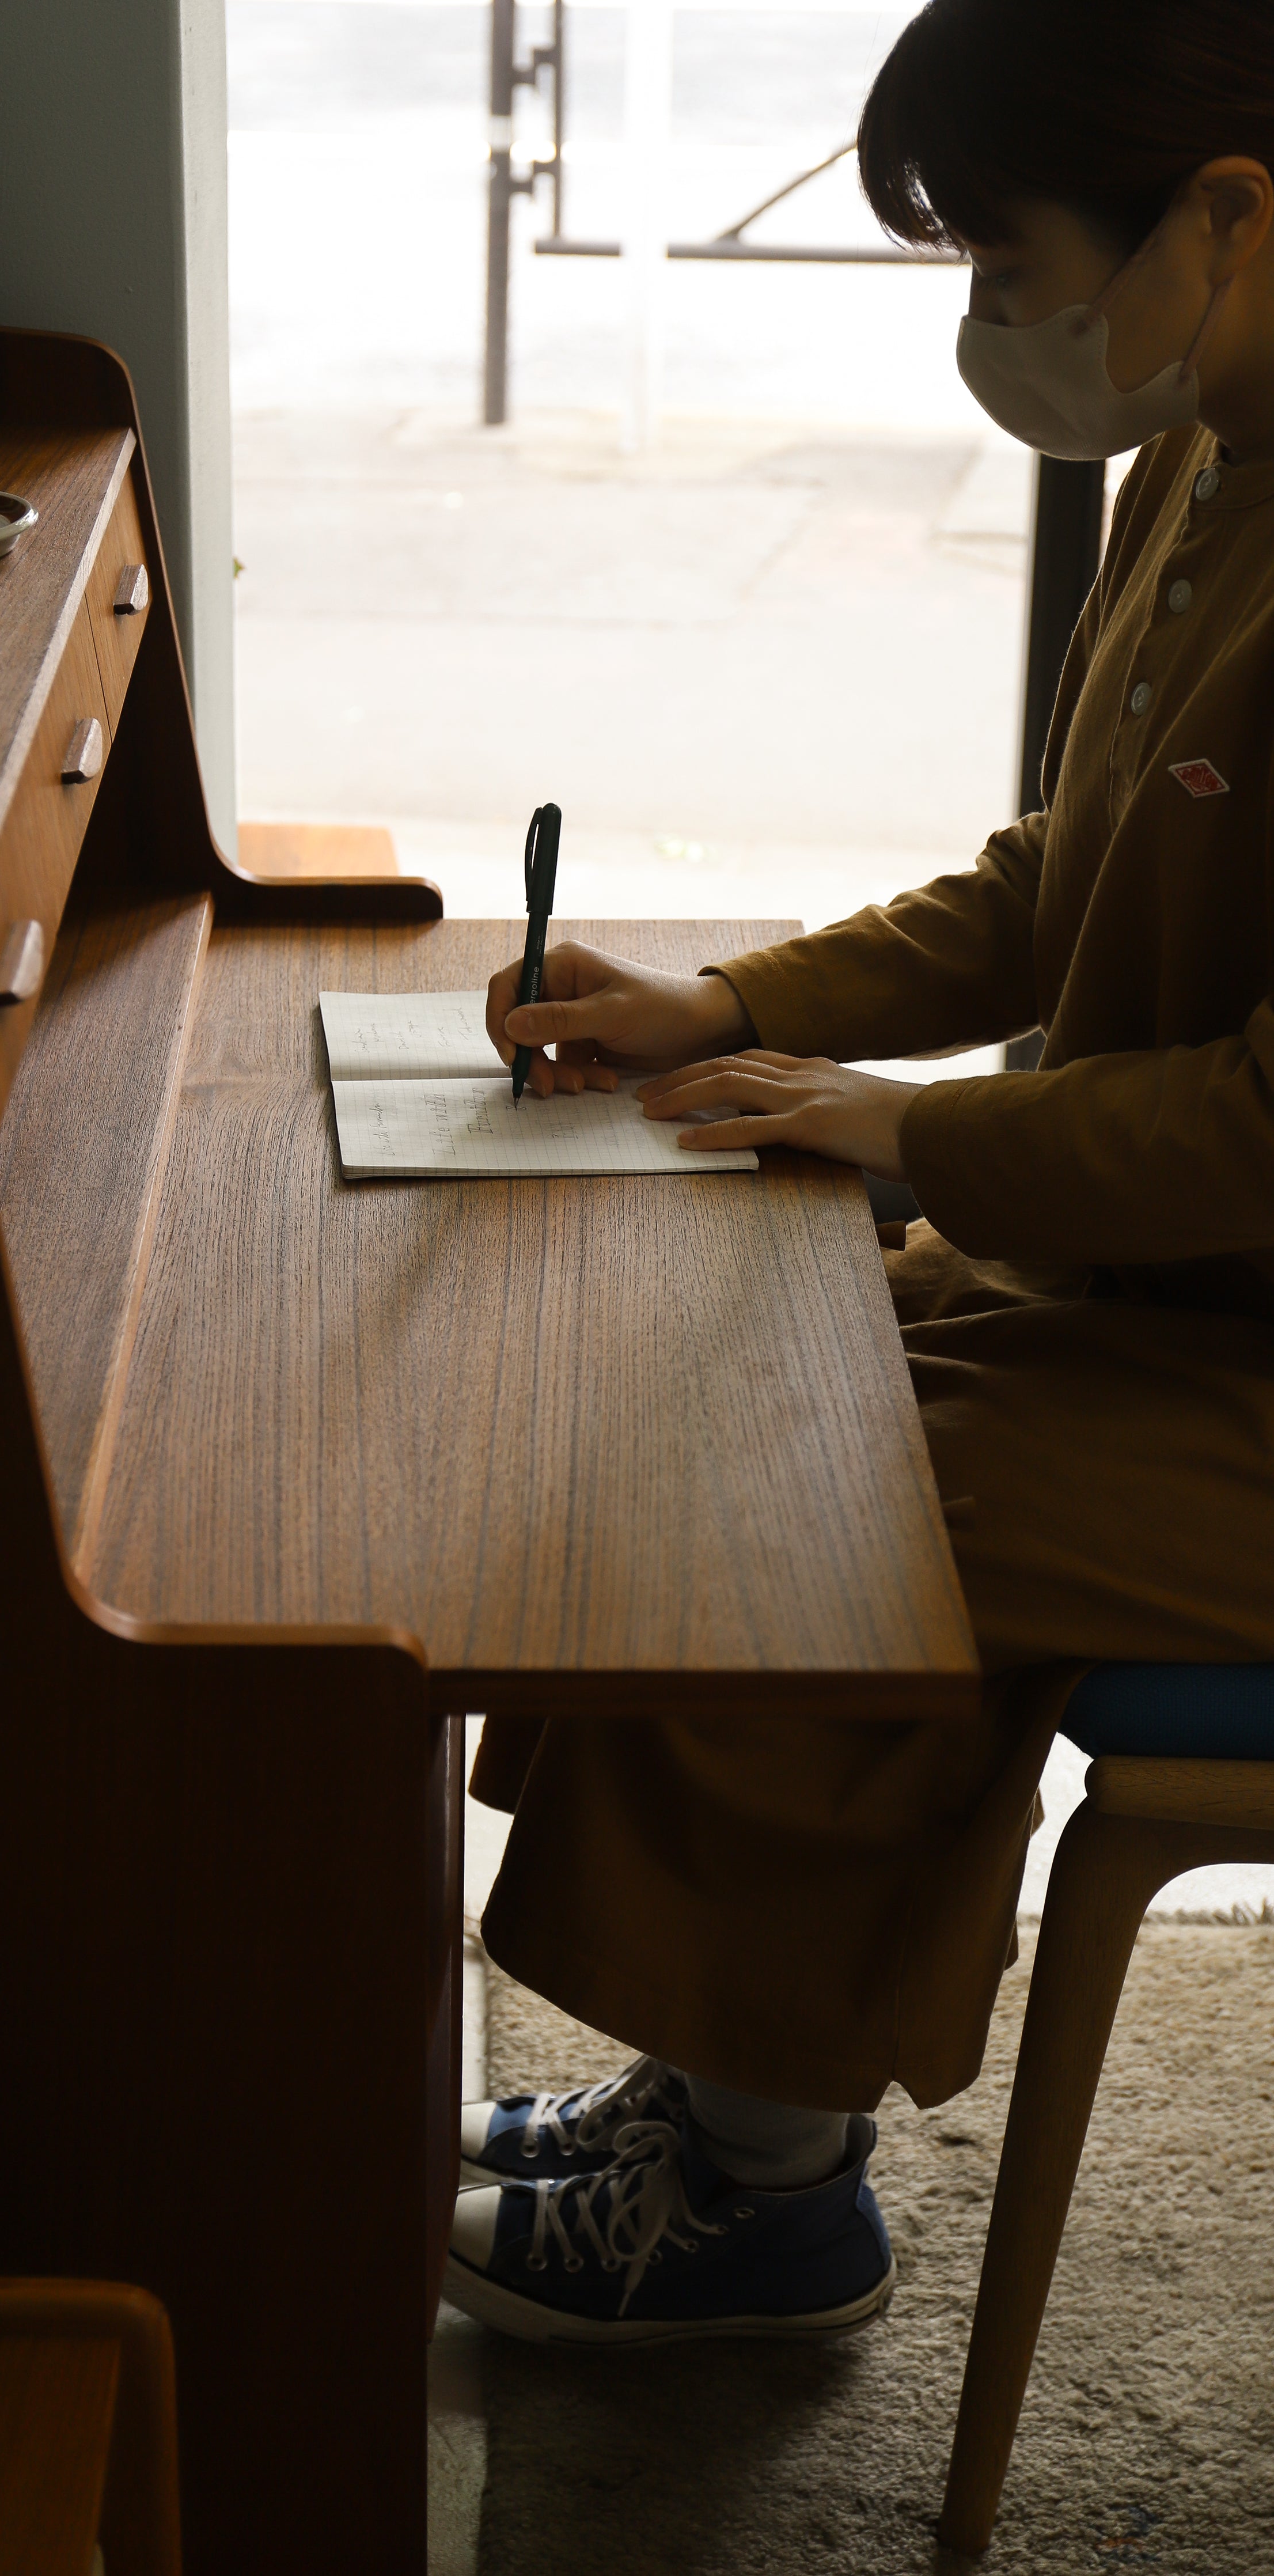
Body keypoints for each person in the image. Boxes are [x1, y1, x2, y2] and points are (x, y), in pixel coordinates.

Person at [443, 0, 1274, 2347]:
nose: (988, 317)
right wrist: (727, 1007)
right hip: (1171, 1293)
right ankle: (740, 2116)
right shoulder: (1201, 465)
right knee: (741, 1339)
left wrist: (902, 1128)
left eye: (1003, 256)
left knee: (801, 1496)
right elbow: (1048, 887)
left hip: (1237, 1328)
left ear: (1217, 213)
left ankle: (754, 2192)